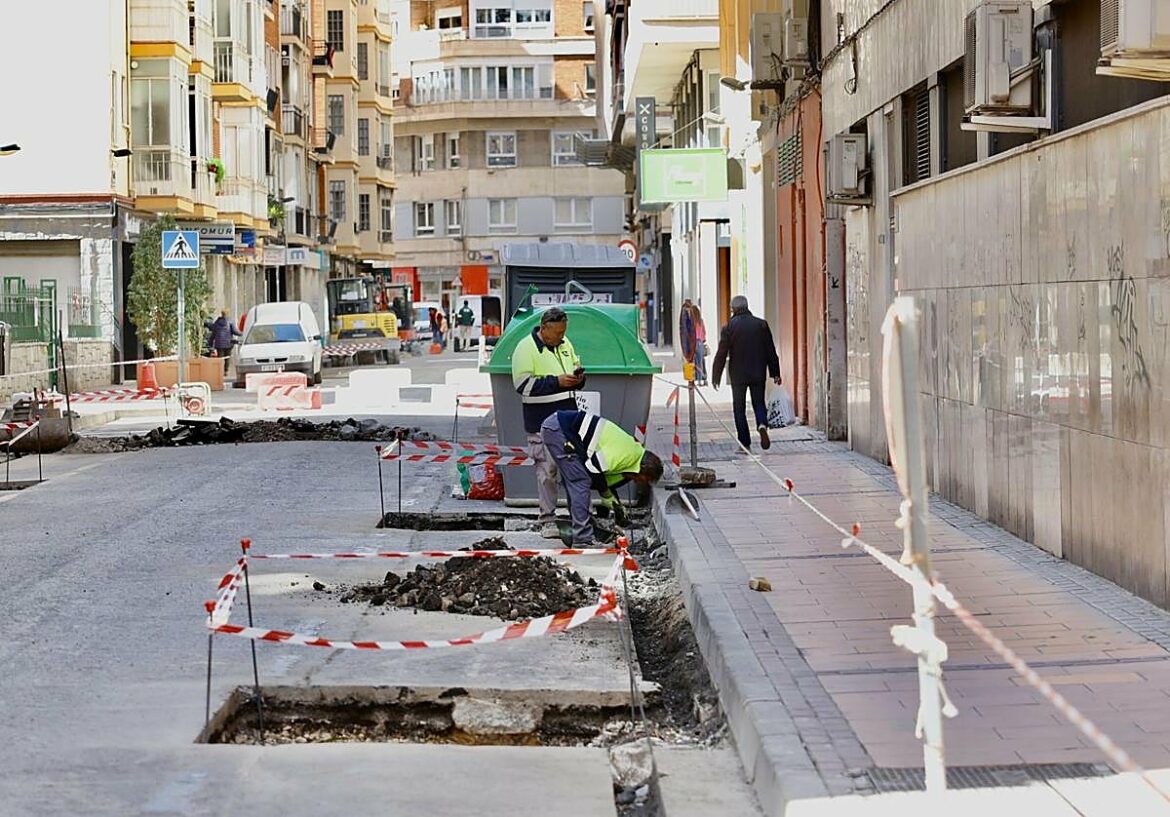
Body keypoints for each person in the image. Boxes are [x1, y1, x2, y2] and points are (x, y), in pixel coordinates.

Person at [511, 307, 584, 539]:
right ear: (544, 328)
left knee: (574, 472)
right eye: (558, 332)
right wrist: (557, 382)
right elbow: (523, 385)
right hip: (541, 422)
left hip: (567, 421)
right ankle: (547, 519)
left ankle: (579, 519)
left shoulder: (565, 344)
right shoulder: (525, 348)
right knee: (547, 473)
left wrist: (578, 378)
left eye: (564, 331)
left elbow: (573, 367)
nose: (562, 336)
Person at [541, 409, 663, 547]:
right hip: (559, 430)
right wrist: (606, 494)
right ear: (644, 469)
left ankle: (582, 526)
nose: (637, 482)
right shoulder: (625, 456)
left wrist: (615, 503)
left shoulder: (634, 457)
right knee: (580, 481)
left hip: (560, 428)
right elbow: (593, 468)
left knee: (577, 480)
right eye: (642, 479)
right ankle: (582, 538)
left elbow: (604, 478)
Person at [712, 295, 782, 451]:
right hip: (758, 372)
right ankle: (762, 424)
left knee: (739, 408)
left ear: (733, 309)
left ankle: (745, 444)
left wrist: (716, 376)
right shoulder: (761, 324)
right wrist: (775, 372)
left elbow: (722, 353)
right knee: (759, 402)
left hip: (738, 375)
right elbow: (770, 350)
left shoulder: (729, 327)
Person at [208, 309, 241, 374]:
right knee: (227, 357)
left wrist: (210, 343)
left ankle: (220, 371)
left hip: (219, 344)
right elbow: (235, 331)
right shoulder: (230, 321)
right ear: (228, 314)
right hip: (228, 343)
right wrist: (242, 333)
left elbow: (213, 333)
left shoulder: (217, 322)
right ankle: (226, 370)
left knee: (220, 358)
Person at [691, 303, 709, 386]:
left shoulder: (692, 322)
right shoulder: (700, 321)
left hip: (694, 343)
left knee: (695, 362)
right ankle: (703, 379)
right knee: (701, 362)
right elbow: (704, 332)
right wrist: (703, 340)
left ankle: (697, 380)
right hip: (700, 343)